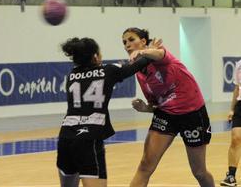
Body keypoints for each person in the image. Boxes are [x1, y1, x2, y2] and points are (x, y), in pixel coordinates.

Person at [121, 27, 215, 187]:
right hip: (165, 115)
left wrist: (143, 52)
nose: (127, 44)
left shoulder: (159, 54)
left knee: (199, 172)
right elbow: (157, 104)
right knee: (145, 166)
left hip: (192, 114)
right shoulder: (140, 73)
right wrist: (145, 108)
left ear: (143, 42)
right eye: (124, 42)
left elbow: (158, 54)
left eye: (131, 40)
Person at [56, 37, 152, 187]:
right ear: (95, 56)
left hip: (65, 137)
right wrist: (152, 52)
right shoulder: (108, 71)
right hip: (89, 138)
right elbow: (135, 66)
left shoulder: (71, 76)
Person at [220, 60, 241, 187]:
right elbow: (237, 88)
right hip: (240, 105)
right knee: (236, 138)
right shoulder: (239, 64)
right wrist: (232, 109)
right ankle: (231, 176)